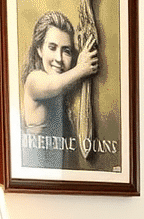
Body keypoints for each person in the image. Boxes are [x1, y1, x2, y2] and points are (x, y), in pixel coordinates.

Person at [20, 10, 97, 168]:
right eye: (52, 48)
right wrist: (81, 69)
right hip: (35, 177)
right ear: (39, 49)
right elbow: (52, 84)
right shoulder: (34, 80)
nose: (59, 58)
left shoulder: (64, 87)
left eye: (66, 51)